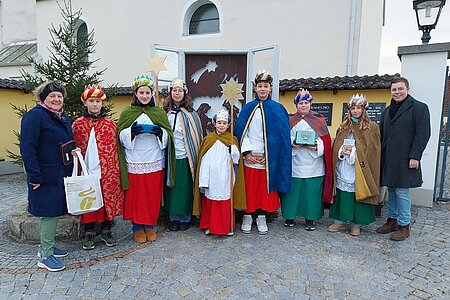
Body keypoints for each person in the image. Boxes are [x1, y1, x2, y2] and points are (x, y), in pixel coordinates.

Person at [20, 80, 73, 272]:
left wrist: (72, 152)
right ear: (44, 98)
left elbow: (64, 143)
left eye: (59, 96)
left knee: (55, 210)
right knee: (49, 213)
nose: (57, 99)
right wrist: (34, 176)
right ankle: (45, 255)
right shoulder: (35, 117)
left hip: (59, 174)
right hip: (44, 175)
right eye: (52, 96)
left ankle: (48, 246)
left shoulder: (61, 117)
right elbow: (28, 148)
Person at [117, 75, 175, 244]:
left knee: (151, 194)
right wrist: (131, 133)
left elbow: (168, 136)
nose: (144, 96)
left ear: (152, 94)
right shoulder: (128, 113)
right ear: (136, 94)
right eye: (141, 92)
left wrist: (160, 133)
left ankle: (149, 225)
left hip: (154, 159)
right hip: (134, 160)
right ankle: (137, 227)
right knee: (137, 195)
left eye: (147, 93)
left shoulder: (158, 113)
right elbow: (120, 135)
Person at [234, 70, 291, 235]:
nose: (263, 89)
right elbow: (241, 133)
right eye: (260, 86)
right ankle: (247, 215)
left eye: (266, 86)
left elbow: (282, 136)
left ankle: (262, 217)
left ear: (271, 88)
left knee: (265, 190)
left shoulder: (278, 109)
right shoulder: (247, 108)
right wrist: (247, 153)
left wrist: (270, 154)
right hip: (251, 156)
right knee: (250, 188)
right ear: (255, 88)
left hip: (269, 159)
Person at [376, 75, 431, 241]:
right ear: (390, 91)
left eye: (400, 89)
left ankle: (404, 225)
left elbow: (423, 134)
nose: (397, 92)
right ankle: (392, 221)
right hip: (389, 158)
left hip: (406, 158)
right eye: (394, 89)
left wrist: (415, 156)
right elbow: (381, 135)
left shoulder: (419, 108)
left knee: (401, 192)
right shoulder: (387, 111)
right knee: (391, 189)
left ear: (407, 89)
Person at [72, 84, 124, 250]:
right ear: (85, 103)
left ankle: (106, 230)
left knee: (106, 198)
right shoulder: (78, 124)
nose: (95, 104)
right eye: (91, 101)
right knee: (89, 198)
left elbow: (117, 147)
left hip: (107, 169)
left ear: (102, 103)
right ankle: (89, 232)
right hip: (86, 168)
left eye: (98, 101)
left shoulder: (110, 124)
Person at [328, 94, 381, 236]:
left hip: (360, 168)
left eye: (358, 108)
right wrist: (341, 152)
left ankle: (356, 224)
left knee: (359, 192)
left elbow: (373, 150)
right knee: (342, 193)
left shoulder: (372, 127)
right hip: (344, 165)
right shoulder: (344, 126)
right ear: (349, 110)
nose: (356, 111)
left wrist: (354, 153)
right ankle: (339, 221)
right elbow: (337, 144)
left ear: (364, 109)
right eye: (353, 108)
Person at [280, 89, 333, 231]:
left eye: (306, 103)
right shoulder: (289, 120)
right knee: (293, 192)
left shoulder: (319, 120)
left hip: (313, 164)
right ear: (296, 105)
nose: (303, 106)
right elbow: (284, 138)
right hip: (295, 163)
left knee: (312, 192)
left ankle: (311, 218)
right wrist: (292, 142)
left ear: (310, 104)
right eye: (300, 103)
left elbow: (325, 141)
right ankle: (290, 217)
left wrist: (318, 146)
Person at [193, 109, 246, 236]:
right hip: (212, 177)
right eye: (219, 122)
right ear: (214, 124)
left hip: (226, 177)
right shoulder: (208, 140)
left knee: (226, 201)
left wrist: (234, 151)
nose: (221, 125)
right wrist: (203, 180)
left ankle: (226, 227)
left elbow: (237, 161)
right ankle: (209, 225)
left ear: (228, 125)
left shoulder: (232, 140)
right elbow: (204, 162)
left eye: (224, 123)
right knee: (210, 201)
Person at [163, 78, 203, 231]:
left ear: (184, 93)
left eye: (180, 91)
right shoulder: (165, 113)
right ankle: (173, 218)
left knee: (186, 188)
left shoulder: (191, 114)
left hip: (187, 158)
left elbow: (196, 136)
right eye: (174, 90)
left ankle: (185, 217)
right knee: (172, 188)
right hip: (171, 157)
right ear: (171, 93)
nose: (177, 93)